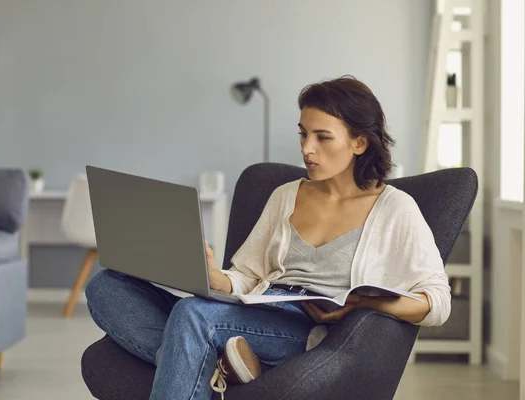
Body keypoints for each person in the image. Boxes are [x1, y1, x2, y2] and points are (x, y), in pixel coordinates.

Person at [85, 76, 451, 400]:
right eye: (303, 133)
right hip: (256, 307)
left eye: (323, 137)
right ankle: (216, 362)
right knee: (107, 284)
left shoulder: (394, 209)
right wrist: (214, 276)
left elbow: (436, 302)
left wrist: (364, 306)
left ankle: (202, 358)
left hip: (307, 329)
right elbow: (246, 275)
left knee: (193, 316)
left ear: (359, 142)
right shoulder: (286, 195)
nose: (307, 148)